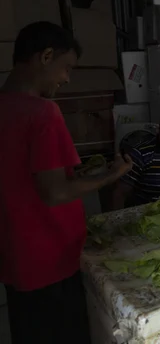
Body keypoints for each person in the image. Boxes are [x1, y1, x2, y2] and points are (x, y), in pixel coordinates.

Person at [0, 22, 133, 344]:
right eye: (66, 68)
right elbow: (55, 191)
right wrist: (109, 176)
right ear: (46, 56)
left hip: (15, 256)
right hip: (50, 259)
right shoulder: (43, 112)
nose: (66, 78)